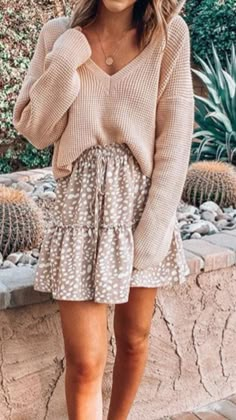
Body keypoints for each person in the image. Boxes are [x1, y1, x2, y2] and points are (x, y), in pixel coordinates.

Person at [12, 0, 194, 418]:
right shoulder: (57, 36)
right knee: (84, 362)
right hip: (79, 212)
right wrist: (65, 62)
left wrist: (154, 230)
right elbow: (37, 131)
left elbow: (176, 138)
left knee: (133, 339)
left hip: (141, 205)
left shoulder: (170, 36)